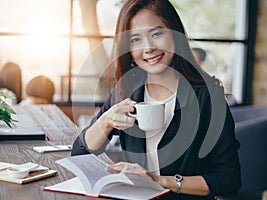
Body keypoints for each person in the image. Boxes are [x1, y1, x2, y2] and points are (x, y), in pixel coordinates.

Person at [71, 0, 241, 199]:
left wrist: (159, 181)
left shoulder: (208, 98)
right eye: (136, 39)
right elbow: (80, 153)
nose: (148, 48)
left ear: (175, 34)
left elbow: (229, 180)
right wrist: (106, 120)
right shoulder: (127, 91)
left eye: (157, 34)